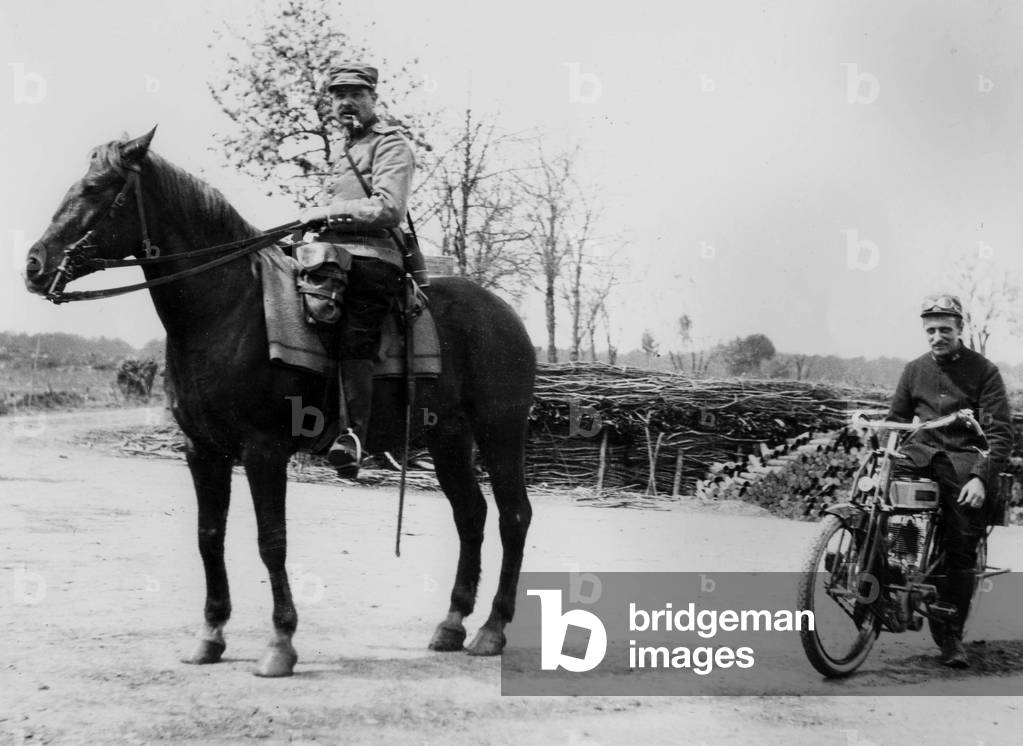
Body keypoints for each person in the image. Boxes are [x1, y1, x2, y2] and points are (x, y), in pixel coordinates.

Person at [299, 62, 415, 478]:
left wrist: (327, 212)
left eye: (355, 94)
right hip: (330, 256)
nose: (345, 102)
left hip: (373, 259)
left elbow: (389, 208)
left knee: (354, 337)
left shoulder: (391, 144)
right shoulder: (340, 150)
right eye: (337, 95)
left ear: (373, 100)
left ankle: (353, 435)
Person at [887, 293, 1012, 668]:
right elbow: (895, 419)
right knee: (884, 512)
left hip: (963, 462)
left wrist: (980, 478)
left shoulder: (984, 371)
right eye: (931, 330)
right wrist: (886, 452)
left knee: (962, 540)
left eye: (945, 329)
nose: (937, 336)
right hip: (920, 457)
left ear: (960, 329)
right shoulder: (913, 370)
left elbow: (1000, 433)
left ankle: (951, 634)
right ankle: (886, 589)